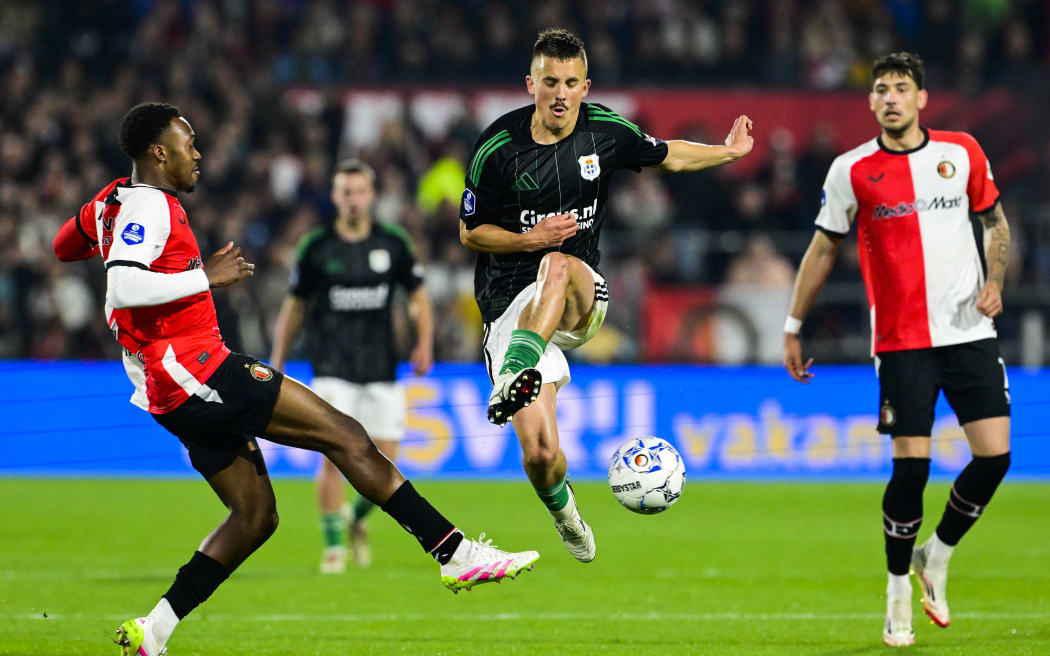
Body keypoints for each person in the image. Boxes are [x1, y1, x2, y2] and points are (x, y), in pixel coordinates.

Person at [52, 102, 539, 656]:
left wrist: (102, 227)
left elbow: (63, 246)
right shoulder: (151, 206)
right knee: (345, 435)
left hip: (171, 385)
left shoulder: (111, 202)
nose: (198, 154)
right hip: (194, 370)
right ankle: (454, 554)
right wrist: (203, 275)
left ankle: (153, 631)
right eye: (188, 144)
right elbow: (123, 289)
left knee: (256, 516)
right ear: (159, 154)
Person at [459, 28, 753, 563]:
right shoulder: (496, 148)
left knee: (556, 263)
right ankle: (566, 514)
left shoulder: (604, 131)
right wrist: (529, 238)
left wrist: (728, 152)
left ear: (586, 86)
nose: (561, 94)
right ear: (530, 84)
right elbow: (470, 232)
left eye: (571, 83)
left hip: (577, 291)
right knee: (540, 453)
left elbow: (669, 155)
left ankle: (515, 371)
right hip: (510, 306)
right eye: (550, 82)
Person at [781, 53, 1011, 647]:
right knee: (912, 468)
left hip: (969, 332)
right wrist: (792, 324)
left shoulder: (962, 152)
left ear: (921, 98)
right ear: (870, 101)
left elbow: (996, 223)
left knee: (995, 457)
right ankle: (897, 590)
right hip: (901, 341)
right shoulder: (852, 169)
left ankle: (937, 554)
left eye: (901, 88)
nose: (890, 98)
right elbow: (822, 249)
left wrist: (995, 281)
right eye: (881, 89)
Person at [270, 159, 434, 574]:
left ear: (372, 195)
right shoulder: (316, 246)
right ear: (335, 196)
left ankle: (356, 518)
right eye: (346, 192)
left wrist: (424, 342)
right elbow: (295, 305)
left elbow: (417, 296)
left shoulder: (393, 243)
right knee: (332, 456)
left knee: (387, 459)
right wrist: (278, 356)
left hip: (381, 366)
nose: (354, 200)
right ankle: (333, 549)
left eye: (360, 191)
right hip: (331, 365)